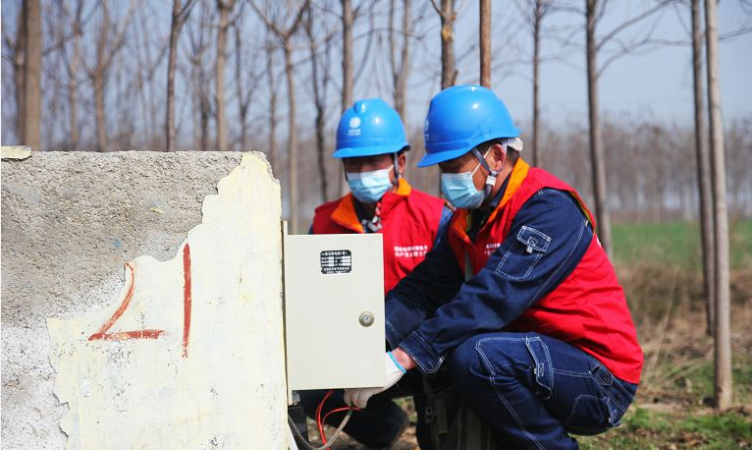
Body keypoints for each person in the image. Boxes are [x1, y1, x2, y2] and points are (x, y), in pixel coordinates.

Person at [343, 85, 644, 450]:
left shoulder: (548, 210)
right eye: (442, 168)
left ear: (497, 156)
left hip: (598, 377)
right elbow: (423, 289)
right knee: (453, 355)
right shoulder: (469, 220)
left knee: (477, 356)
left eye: (454, 167)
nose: (446, 179)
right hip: (529, 358)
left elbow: (493, 297)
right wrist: (367, 340)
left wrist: (405, 356)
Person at [300, 98, 452, 448]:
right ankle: (386, 431)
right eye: (353, 162)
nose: (361, 170)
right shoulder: (324, 221)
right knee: (311, 389)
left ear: (399, 162)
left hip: (421, 344)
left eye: (372, 161)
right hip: (352, 340)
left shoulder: (434, 216)